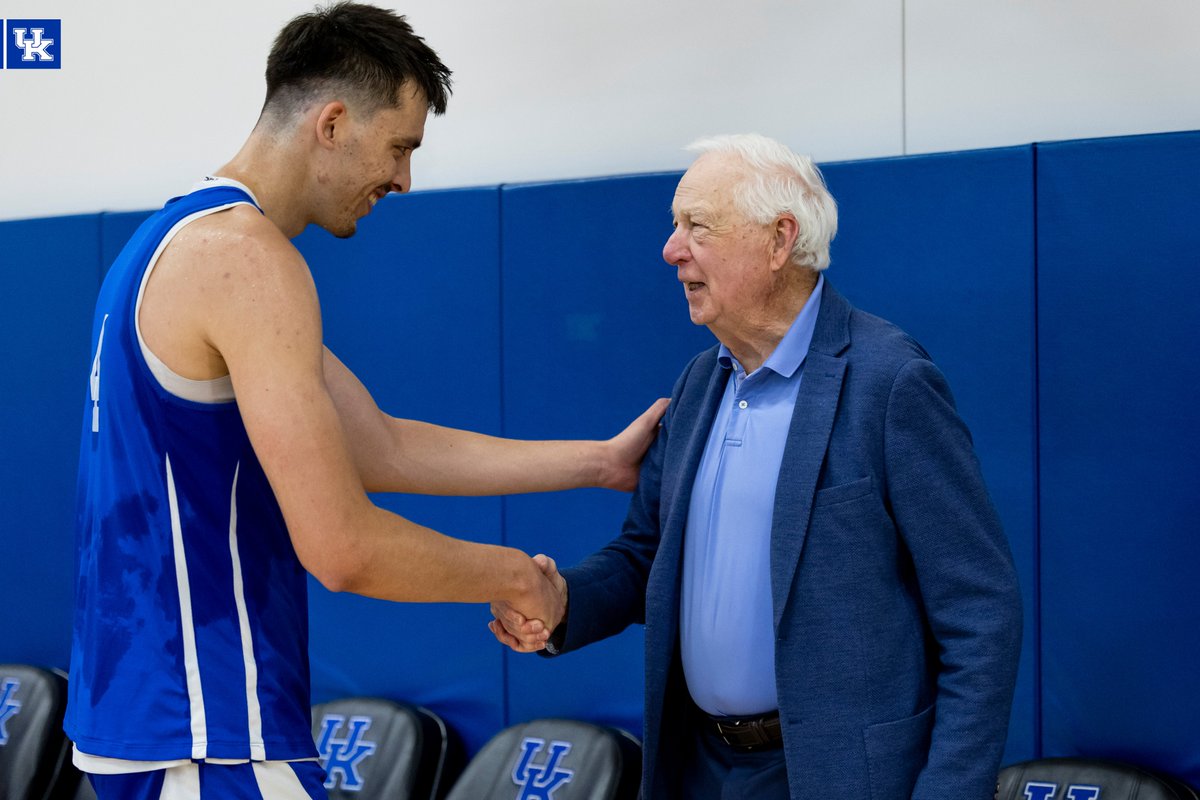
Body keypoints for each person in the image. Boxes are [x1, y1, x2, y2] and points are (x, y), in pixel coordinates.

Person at [66, 3, 666, 797]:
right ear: (333, 122)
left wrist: (597, 464)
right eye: (400, 147)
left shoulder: (170, 245)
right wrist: (516, 576)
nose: (403, 180)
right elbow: (342, 548)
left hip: (142, 723)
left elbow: (377, 443)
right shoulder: (249, 262)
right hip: (211, 732)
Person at [492, 133, 1023, 799]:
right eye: (675, 225)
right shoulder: (697, 384)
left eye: (697, 226)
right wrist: (564, 602)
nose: (671, 249)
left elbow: (980, 612)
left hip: (840, 777)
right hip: (700, 768)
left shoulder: (890, 382)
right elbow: (645, 554)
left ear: (779, 241)